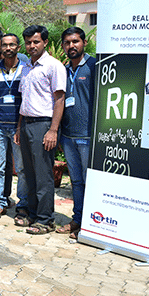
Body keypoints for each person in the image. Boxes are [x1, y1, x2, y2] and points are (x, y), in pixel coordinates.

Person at [17, 25, 66, 235]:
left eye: (36, 42)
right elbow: (23, 99)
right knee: (29, 173)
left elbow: (59, 99)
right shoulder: (26, 67)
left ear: (44, 42)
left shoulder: (53, 66)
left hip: (43, 125)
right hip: (26, 124)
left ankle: (46, 220)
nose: (32, 46)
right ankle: (33, 214)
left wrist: (53, 130)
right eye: (28, 42)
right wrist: (19, 127)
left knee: (43, 174)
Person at [56, 26, 96, 240]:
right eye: (67, 43)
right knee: (77, 182)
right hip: (69, 136)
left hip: (88, 136)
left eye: (75, 41)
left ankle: (90, 226)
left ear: (84, 43)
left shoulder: (94, 66)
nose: (71, 46)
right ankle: (78, 219)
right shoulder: (63, 69)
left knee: (90, 181)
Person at [0, 33, 27, 220]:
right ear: (1, 47)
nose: (8, 48)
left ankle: (22, 204)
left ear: (18, 47)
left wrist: (19, 127)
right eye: (5, 45)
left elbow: (26, 100)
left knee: (22, 169)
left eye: (12, 45)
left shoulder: (26, 69)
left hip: (17, 127)